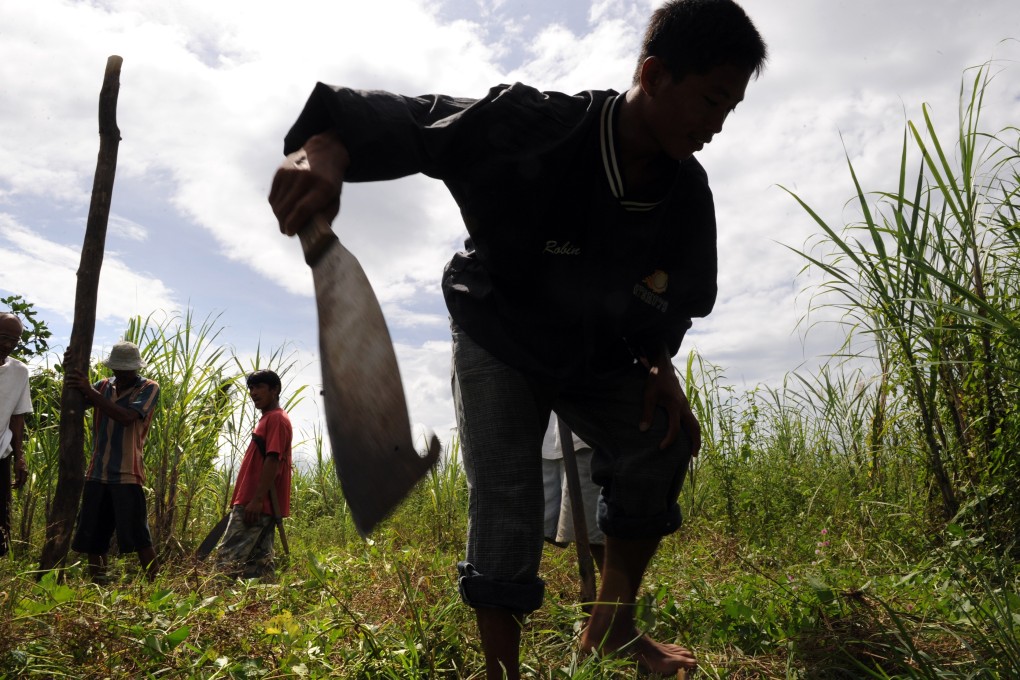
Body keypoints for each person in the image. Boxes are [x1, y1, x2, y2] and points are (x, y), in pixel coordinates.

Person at [268, 0, 766, 675]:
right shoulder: (533, 125)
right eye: (709, 100)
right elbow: (410, 122)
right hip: (499, 327)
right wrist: (323, 154)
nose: (716, 125)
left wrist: (659, 366)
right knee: (508, 500)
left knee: (662, 439)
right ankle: (503, 671)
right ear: (653, 73)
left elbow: (672, 304)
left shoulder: (686, 195)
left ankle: (612, 629)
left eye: (730, 109)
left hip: (596, 350)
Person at [66, 340, 160, 582]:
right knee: (93, 537)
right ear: (113, 368)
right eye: (119, 369)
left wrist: (89, 391)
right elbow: (72, 401)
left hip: (128, 473)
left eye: (128, 369)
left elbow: (127, 417)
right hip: (97, 472)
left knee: (139, 535)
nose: (124, 373)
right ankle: (99, 583)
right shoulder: (103, 386)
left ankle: (154, 584)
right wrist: (71, 371)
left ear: (136, 368)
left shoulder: (148, 387)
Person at [212, 369, 293, 580]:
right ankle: (264, 609)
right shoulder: (269, 418)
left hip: (256, 504)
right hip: (260, 504)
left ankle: (211, 605)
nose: (253, 393)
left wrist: (256, 499)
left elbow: (273, 459)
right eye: (251, 388)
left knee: (227, 561)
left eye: (259, 387)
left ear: (274, 390)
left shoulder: (275, 419)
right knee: (259, 565)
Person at [542, 414, 605, 573]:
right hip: (548, 436)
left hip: (586, 434)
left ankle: (617, 595)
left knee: (597, 535)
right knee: (534, 528)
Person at [0, 312, 32, 556]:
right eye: (3, 337)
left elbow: (17, 417)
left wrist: (19, 457)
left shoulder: (19, 372)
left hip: (1, 456)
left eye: (14, 340)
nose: (8, 345)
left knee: (0, 527)